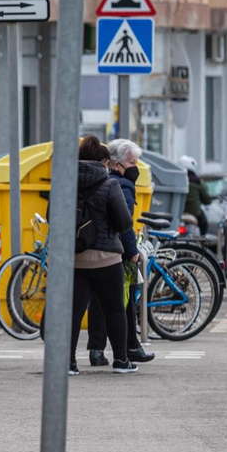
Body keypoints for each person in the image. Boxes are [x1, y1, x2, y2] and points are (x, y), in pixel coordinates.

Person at [70, 135, 136, 374]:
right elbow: (124, 222)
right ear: (105, 163)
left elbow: (51, 216)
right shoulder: (110, 184)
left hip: (76, 259)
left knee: (73, 313)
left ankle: (69, 363)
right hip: (107, 259)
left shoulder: (66, 182)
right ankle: (121, 361)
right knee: (114, 310)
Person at [87, 139, 156, 367]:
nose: (135, 167)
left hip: (92, 247)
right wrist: (132, 250)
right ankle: (129, 349)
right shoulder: (123, 185)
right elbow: (124, 221)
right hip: (115, 251)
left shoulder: (101, 181)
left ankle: (97, 350)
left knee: (98, 302)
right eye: (132, 163)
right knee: (123, 301)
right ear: (116, 164)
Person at [180, 154, 211, 235]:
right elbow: (207, 199)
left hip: (178, 212)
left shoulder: (177, 179)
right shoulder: (197, 181)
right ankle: (202, 240)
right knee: (204, 225)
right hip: (194, 213)